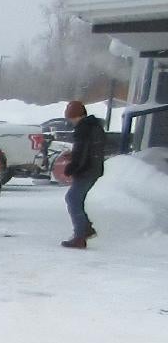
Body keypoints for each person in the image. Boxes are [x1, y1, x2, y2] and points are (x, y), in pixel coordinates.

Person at [60, 99, 106, 249]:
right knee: (75, 199)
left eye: (71, 118)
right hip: (93, 169)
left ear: (77, 116)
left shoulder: (83, 129)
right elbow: (88, 151)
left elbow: (82, 153)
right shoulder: (94, 127)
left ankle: (80, 235)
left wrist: (71, 168)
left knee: (73, 199)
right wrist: (73, 156)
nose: (71, 121)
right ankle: (85, 228)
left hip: (86, 170)